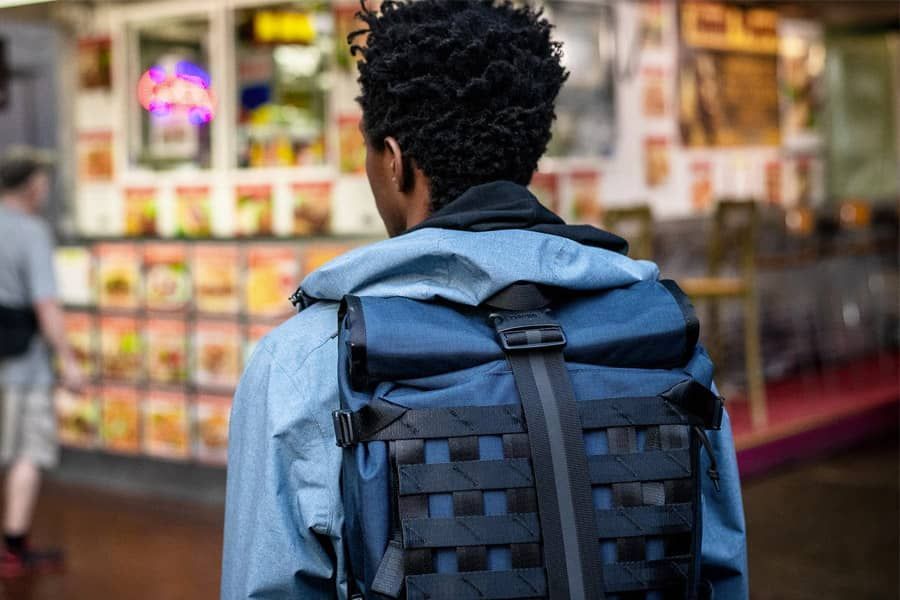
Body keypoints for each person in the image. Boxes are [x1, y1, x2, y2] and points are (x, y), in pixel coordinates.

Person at [222, 1, 748, 598]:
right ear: (526, 155)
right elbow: (719, 571)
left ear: (394, 163)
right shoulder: (661, 335)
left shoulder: (303, 363)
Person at [0, 148, 81, 577]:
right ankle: (13, 548)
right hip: (22, 362)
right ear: (33, 184)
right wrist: (68, 360)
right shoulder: (31, 233)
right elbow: (45, 305)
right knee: (27, 452)